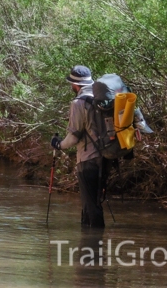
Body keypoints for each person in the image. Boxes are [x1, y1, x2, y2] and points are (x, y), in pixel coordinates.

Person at [50, 65, 107, 227]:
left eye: (71, 84)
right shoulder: (102, 98)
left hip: (88, 160)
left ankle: (94, 247)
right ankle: (89, 247)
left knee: (91, 206)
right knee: (94, 202)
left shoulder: (78, 103)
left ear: (76, 85)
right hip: (106, 158)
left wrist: (59, 144)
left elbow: (73, 138)